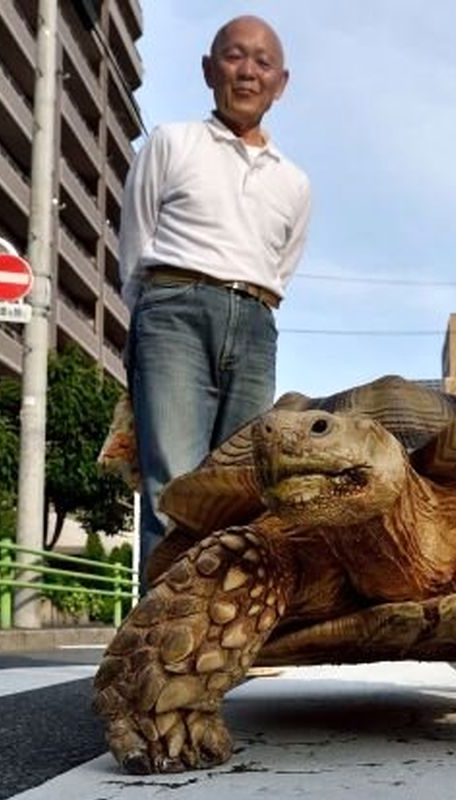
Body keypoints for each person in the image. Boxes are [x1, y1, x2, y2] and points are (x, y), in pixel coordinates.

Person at [118, 15, 312, 589]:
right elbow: (135, 241)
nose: (248, 71)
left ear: (281, 82)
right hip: (172, 307)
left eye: (262, 62)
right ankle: (158, 646)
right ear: (209, 69)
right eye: (234, 56)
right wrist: (152, 316)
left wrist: (246, 301)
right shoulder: (172, 142)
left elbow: (282, 265)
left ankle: (214, 636)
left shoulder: (294, 182)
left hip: (255, 321)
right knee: (173, 486)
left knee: (240, 490)